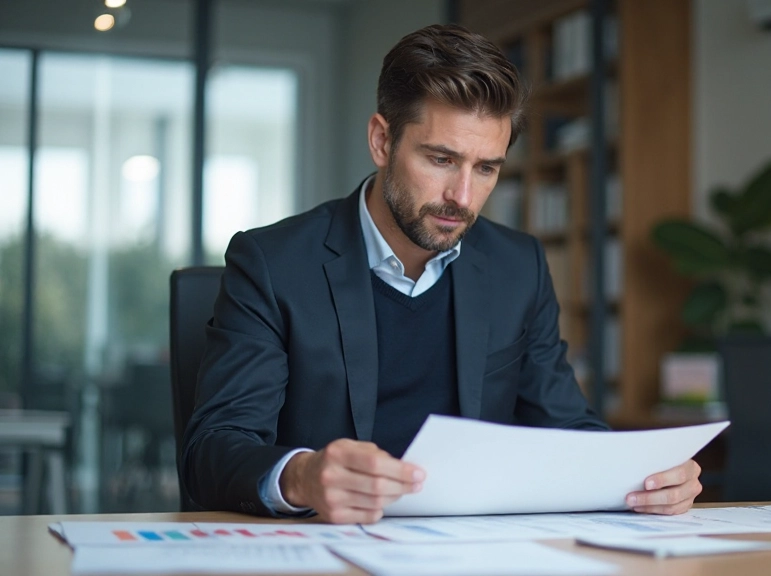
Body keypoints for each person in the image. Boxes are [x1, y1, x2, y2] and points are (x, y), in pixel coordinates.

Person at [181, 23, 702, 524]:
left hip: (470, 551)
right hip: (327, 545)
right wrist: (301, 476)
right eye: (441, 160)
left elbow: (566, 426)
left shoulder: (518, 266)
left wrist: (648, 477)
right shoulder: (273, 263)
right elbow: (214, 448)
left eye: (486, 168)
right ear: (382, 141)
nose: (463, 197)